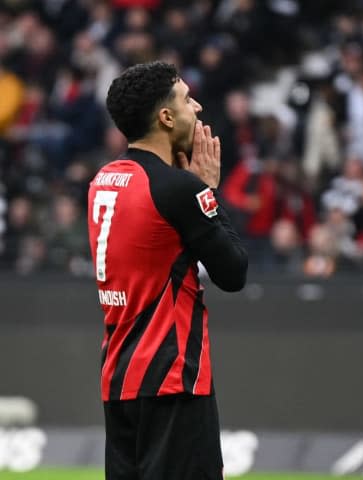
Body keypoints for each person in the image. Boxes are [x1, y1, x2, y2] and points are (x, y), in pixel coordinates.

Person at [87, 61, 248, 480]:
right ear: (166, 117)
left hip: (119, 380)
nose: (196, 106)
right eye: (186, 98)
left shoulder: (103, 180)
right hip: (172, 379)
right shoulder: (179, 189)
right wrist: (208, 189)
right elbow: (234, 272)